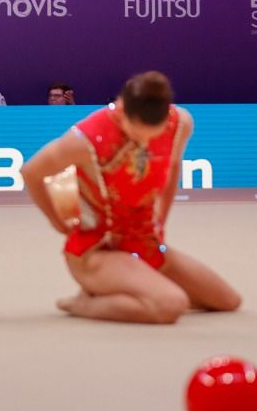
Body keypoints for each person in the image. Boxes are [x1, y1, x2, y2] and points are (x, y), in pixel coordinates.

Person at [22, 70, 241, 324]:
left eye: (153, 135)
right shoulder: (86, 140)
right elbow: (31, 173)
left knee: (228, 301)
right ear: (123, 108)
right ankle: (83, 303)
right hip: (97, 251)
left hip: (145, 243)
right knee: (172, 304)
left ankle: (137, 287)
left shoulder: (180, 123)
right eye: (137, 134)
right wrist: (58, 222)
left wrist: (160, 223)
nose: (145, 144)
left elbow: (171, 171)